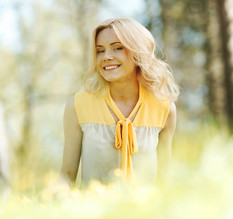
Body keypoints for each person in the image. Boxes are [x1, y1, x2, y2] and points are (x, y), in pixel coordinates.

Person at [61, 18, 179, 186]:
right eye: (100, 51)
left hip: (146, 211)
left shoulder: (165, 109)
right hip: (93, 211)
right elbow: (67, 175)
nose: (106, 57)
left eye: (117, 48)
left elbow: (165, 177)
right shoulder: (77, 106)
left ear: (138, 52)